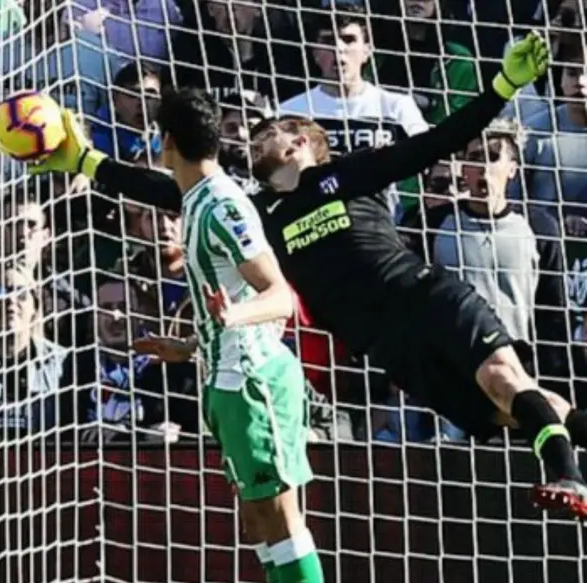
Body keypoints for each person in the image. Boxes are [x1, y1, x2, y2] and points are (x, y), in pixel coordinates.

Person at [31, 32, 587, 518]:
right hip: (387, 345)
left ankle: (567, 478)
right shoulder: (258, 212)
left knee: (503, 379)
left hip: (426, 299)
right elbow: (168, 191)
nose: (255, 139)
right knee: (517, 410)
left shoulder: (346, 175)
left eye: (270, 131)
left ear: (301, 142)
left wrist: (502, 86)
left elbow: (436, 142)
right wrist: (86, 163)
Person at [94, 87, 323, 583]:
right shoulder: (195, 201)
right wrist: (191, 344)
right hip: (225, 376)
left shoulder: (223, 205)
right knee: (257, 519)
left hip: (255, 380)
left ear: (166, 141)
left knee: (282, 519)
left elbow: (279, 296)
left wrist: (233, 316)